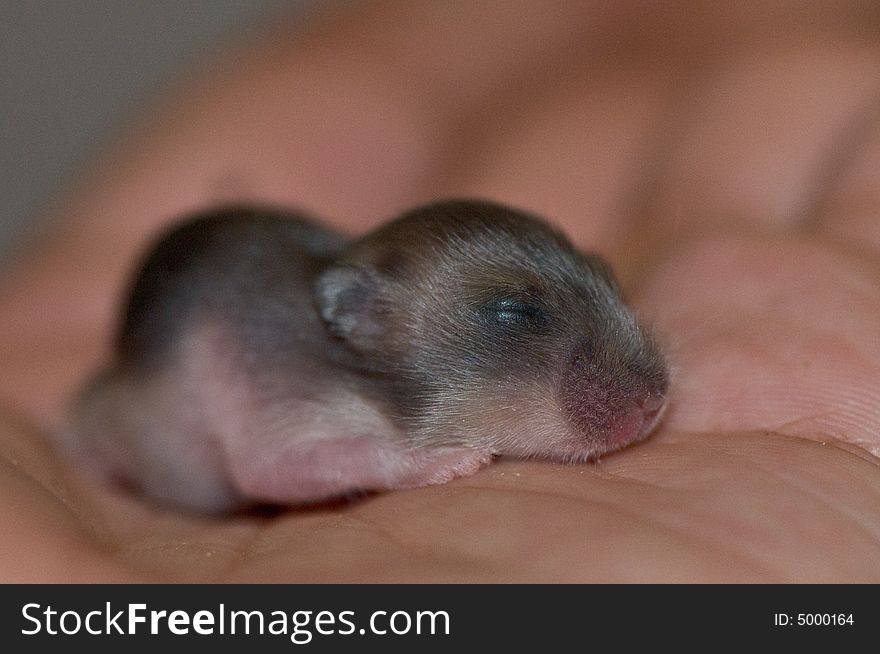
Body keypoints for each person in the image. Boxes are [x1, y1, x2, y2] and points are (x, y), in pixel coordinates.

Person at [1, 1, 878, 582]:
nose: (642, 390)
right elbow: (267, 465)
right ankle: (93, 429)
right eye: (516, 317)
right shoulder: (311, 370)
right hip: (171, 360)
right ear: (362, 320)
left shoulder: (380, 319)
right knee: (143, 439)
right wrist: (401, 463)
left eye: (600, 289)